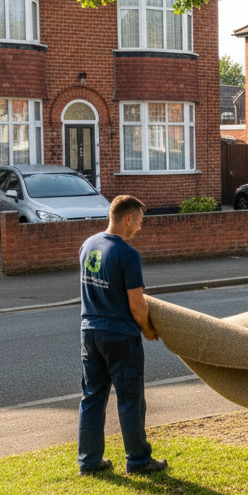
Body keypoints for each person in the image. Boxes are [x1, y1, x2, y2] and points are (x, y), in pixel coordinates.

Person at [77, 194, 167, 476]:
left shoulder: (88, 245)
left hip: (89, 333)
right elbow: (137, 305)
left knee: (92, 398)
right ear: (127, 218)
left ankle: (89, 462)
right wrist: (149, 330)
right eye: (139, 221)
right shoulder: (128, 254)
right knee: (130, 400)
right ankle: (138, 461)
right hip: (120, 337)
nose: (140, 227)